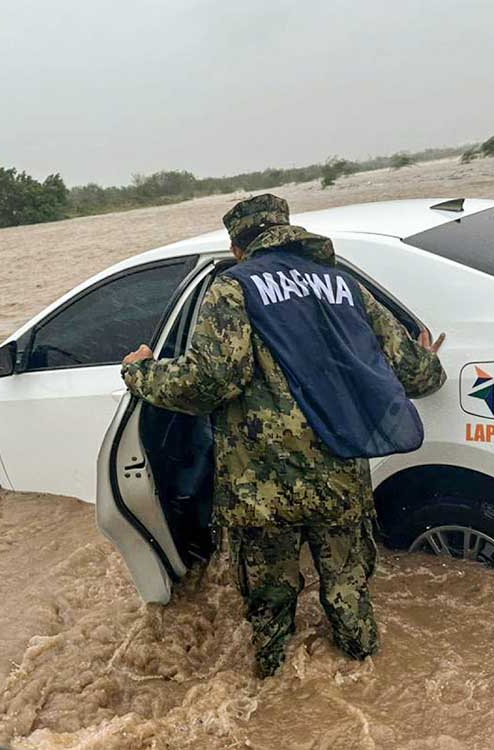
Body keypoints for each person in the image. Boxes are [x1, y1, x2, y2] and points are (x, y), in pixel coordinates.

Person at [121, 194, 446, 677]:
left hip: (262, 488)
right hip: (340, 472)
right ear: (288, 230)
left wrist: (142, 372)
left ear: (237, 247)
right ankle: (364, 673)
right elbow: (418, 376)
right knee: (347, 590)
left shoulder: (232, 289)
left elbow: (212, 380)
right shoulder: (344, 285)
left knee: (270, 602)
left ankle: (272, 690)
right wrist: (428, 358)